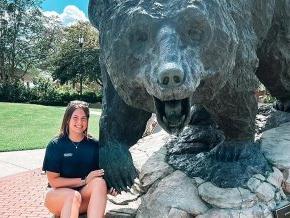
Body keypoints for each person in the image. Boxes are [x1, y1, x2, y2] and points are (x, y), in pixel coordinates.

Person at [42, 100, 117, 218]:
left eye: (83, 118)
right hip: (57, 197)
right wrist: (84, 180)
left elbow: (99, 175)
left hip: (83, 197)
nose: (79, 122)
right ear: (68, 120)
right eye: (75, 117)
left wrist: (110, 188)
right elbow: (54, 181)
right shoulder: (55, 145)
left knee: (100, 183)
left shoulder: (94, 145)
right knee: (72, 196)